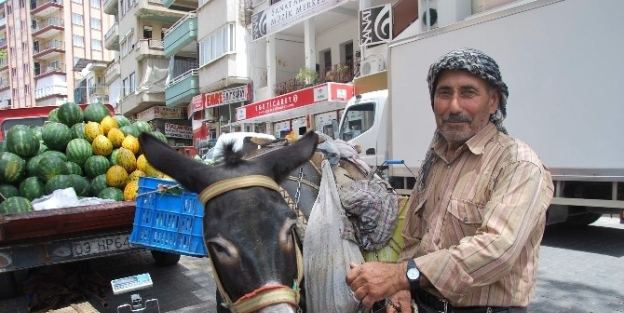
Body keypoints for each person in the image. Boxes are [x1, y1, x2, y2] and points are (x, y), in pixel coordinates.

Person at [346, 48, 554, 313]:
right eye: (444, 93)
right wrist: (402, 291)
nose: (454, 106)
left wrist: (399, 276)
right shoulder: (435, 160)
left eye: (468, 93)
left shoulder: (517, 163)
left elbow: (496, 250)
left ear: (493, 101)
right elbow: (414, 236)